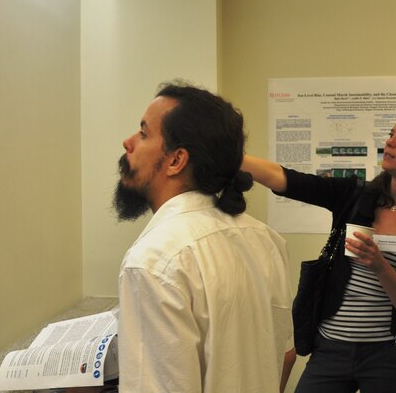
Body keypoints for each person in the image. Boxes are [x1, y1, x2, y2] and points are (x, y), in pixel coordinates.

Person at [113, 82, 294, 392]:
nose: (128, 142)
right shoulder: (265, 239)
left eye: (143, 134)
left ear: (175, 161)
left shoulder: (153, 260)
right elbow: (285, 356)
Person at [241, 110, 396, 392]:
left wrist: (380, 265)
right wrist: (230, 157)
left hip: (388, 352)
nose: (391, 142)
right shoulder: (355, 195)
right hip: (330, 347)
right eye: (391, 134)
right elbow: (284, 179)